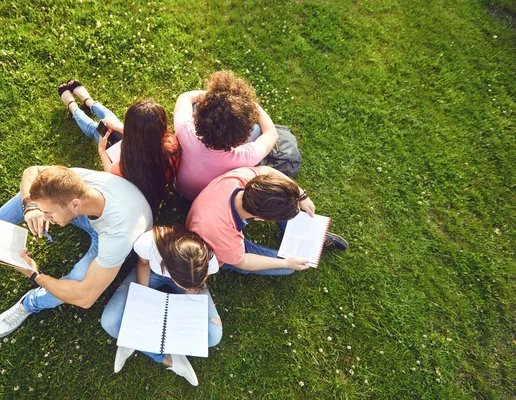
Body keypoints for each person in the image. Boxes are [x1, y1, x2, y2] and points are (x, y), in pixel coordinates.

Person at [0, 166, 153, 338]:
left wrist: (34, 274)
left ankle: (29, 303)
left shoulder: (116, 237)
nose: (45, 218)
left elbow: (85, 297)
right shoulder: (71, 184)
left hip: (109, 232)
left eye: (49, 214)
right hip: (100, 211)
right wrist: (30, 206)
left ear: (74, 204)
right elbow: (32, 171)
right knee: (30, 196)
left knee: (78, 281)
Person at [100, 226, 222, 386]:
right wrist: (143, 296)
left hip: (190, 281)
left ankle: (134, 340)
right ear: (166, 265)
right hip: (152, 273)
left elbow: (193, 285)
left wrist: (187, 298)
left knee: (213, 336)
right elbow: (143, 264)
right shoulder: (148, 243)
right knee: (109, 322)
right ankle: (168, 359)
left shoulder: (208, 260)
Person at [186, 166, 348, 275]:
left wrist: (300, 194)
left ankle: (310, 236)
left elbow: (265, 169)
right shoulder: (225, 238)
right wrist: (286, 264)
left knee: (284, 206)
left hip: (212, 212)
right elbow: (242, 261)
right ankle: (295, 248)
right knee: (287, 268)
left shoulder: (241, 180)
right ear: (259, 219)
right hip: (215, 246)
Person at [58, 80, 179, 211]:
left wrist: (101, 150)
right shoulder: (172, 143)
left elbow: (109, 173)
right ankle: (89, 102)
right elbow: (147, 136)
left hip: (131, 162)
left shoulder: (124, 166)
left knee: (96, 130)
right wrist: (116, 126)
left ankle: (73, 107)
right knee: (111, 123)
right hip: (142, 164)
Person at [173, 71, 279, 201]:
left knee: (194, 105)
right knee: (258, 130)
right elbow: (271, 133)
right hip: (207, 200)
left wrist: (212, 97)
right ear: (242, 135)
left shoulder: (184, 129)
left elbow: (185, 97)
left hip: (180, 188)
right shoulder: (246, 157)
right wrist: (255, 107)